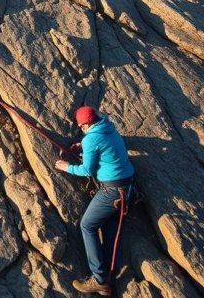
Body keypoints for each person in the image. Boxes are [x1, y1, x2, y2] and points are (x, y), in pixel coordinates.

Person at [55, 106, 136, 297]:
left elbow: (87, 171)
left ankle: (99, 280)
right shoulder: (108, 126)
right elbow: (104, 147)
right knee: (108, 228)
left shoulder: (90, 138)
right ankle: (108, 273)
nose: (80, 128)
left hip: (112, 191)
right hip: (128, 187)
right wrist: (85, 147)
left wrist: (67, 167)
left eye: (81, 126)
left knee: (87, 226)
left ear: (85, 124)